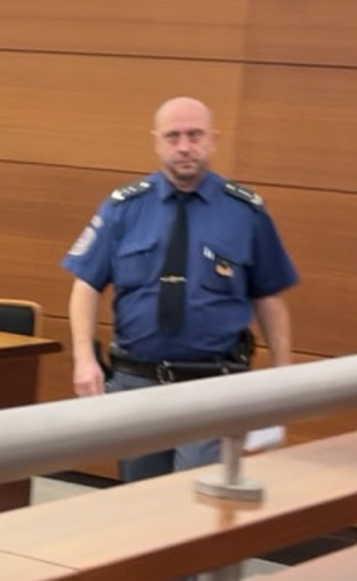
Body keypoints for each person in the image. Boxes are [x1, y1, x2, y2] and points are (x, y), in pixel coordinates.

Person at [63, 96, 298, 483]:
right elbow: (86, 284)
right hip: (136, 383)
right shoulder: (123, 208)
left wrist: (283, 378)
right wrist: (84, 358)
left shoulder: (246, 212)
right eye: (173, 136)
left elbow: (269, 298)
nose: (185, 146)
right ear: (157, 142)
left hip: (214, 384)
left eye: (195, 135)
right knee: (140, 497)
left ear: (213, 140)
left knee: (191, 496)